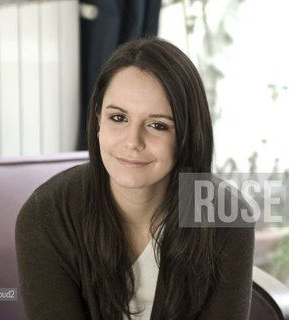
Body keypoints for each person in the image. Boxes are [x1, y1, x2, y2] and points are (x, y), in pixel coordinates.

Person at [15, 38, 254, 320]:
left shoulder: (227, 217)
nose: (133, 141)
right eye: (118, 118)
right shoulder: (47, 217)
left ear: (188, 135)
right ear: (98, 121)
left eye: (157, 125)